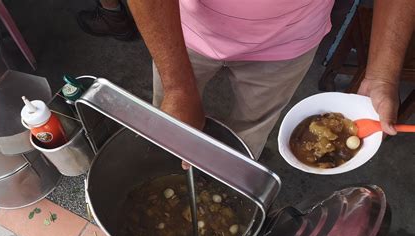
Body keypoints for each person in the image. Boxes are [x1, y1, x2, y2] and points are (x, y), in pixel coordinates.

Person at [128, 0, 415, 158]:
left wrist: (382, 76)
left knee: (247, 135)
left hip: (289, 43)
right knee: (168, 130)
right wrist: (178, 89)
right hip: (181, 31)